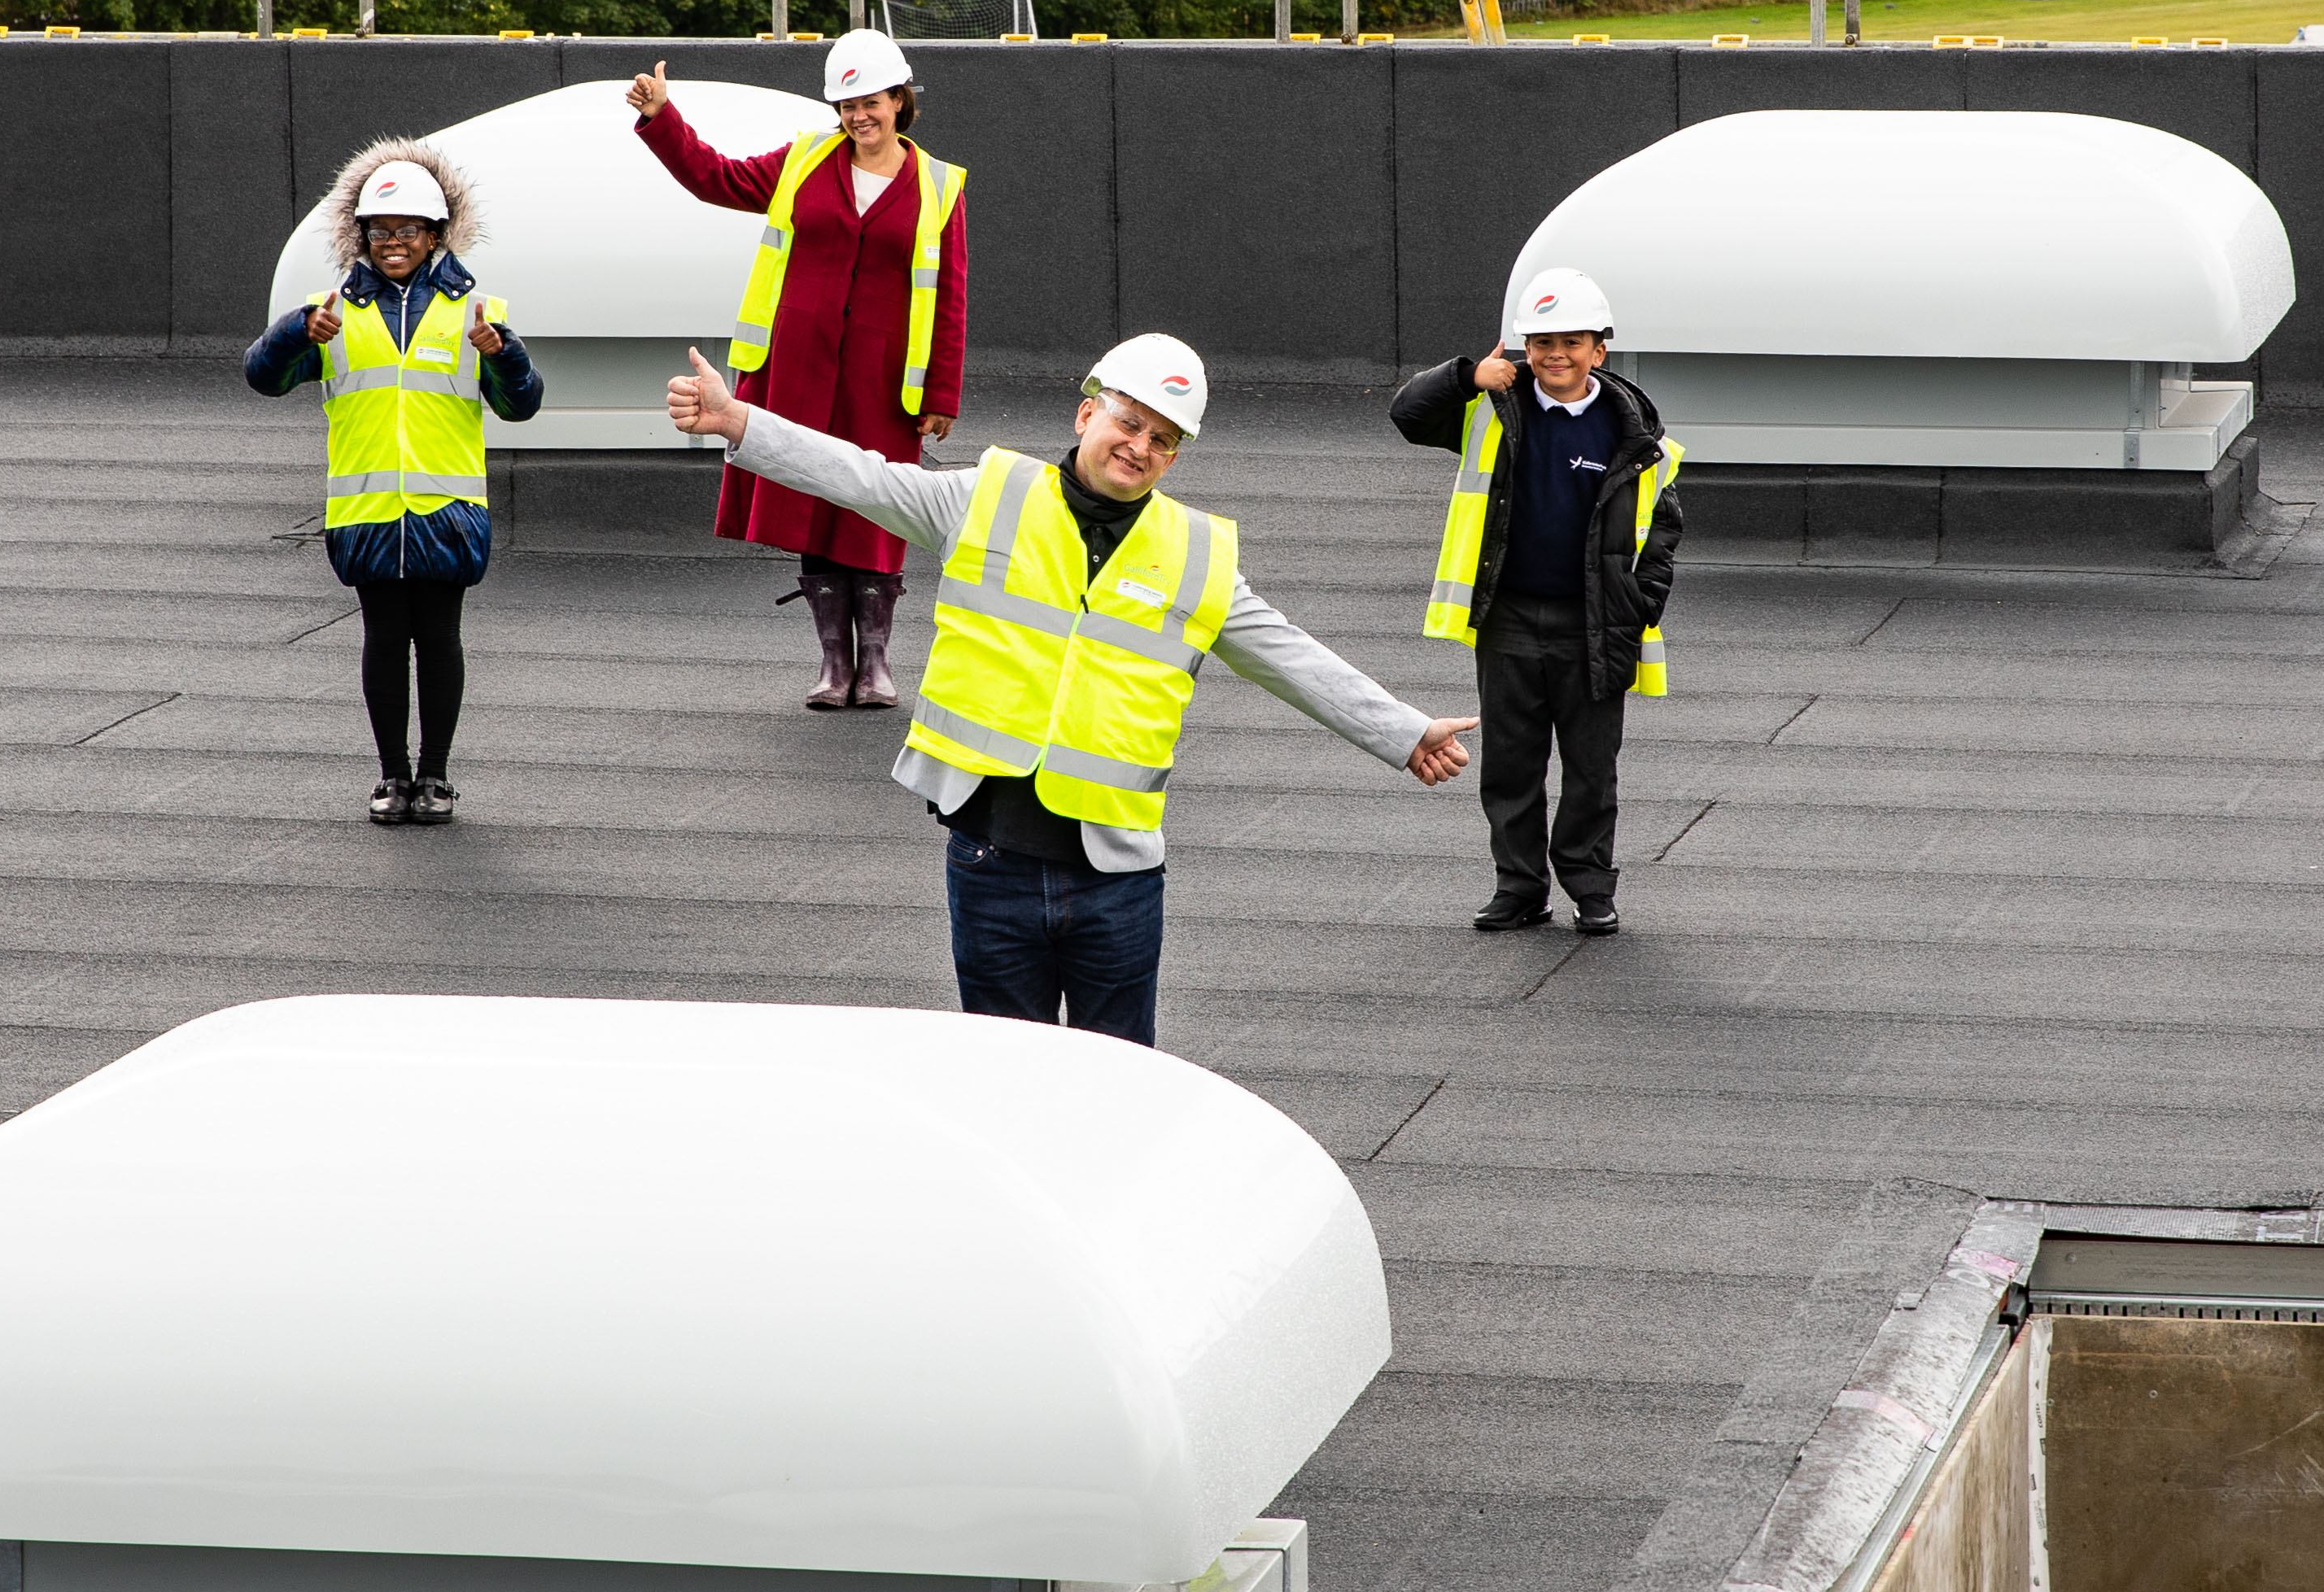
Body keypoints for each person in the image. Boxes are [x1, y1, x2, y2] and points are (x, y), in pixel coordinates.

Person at [666, 329, 1470, 1046]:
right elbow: (866, 480)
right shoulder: (985, 495)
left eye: (1161, 439)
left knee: (1120, 1094)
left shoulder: (1196, 553)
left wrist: (1401, 732)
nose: (1138, 446)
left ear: (1174, 456)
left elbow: (1289, 656)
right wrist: (740, 423)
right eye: (1128, 421)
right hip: (990, 864)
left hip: (1117, 882)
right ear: (1087, 413)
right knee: (1007, 1088)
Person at [630, 28, 968, 713]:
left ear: (901, 100)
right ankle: (834, 663)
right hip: (798, 367)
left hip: (884, 379)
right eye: (845, 105)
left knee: (877, 509)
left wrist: (942, 391)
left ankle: (875, 662)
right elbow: (714, 177)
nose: (858, 117)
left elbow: (953, 293)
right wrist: (663, 118)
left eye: (871, 102)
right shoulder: (804, 159)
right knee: (815, 502)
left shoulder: (940, 185)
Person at [249, 142, 540, 824]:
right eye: (380, 233)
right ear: (363, 236)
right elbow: (263, 377)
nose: (393, 244)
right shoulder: (331, 312)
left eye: (408, 231)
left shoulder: (477, 311)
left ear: (435, 234)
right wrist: (295, 331)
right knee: (383, 639)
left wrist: (507, 353)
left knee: (438, 640)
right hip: (369, 510)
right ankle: (391, 776)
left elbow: (521, 402)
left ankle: (435, 776)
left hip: (447, 510)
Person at [1391, 267, 1684, 940]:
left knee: (1590, 769)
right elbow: (1407, 413)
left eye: (1572, 342)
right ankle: (1519, 888)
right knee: (1512, 765)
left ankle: (1590, 888)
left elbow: (1663, 528)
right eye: (1542, 342)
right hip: (1509, 617)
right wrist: (1468, 377)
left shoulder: (1633, 430)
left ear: (1598, 351)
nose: (1556, 355)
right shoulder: (1493, 409)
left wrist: (1639, 601)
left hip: (1594, 623)